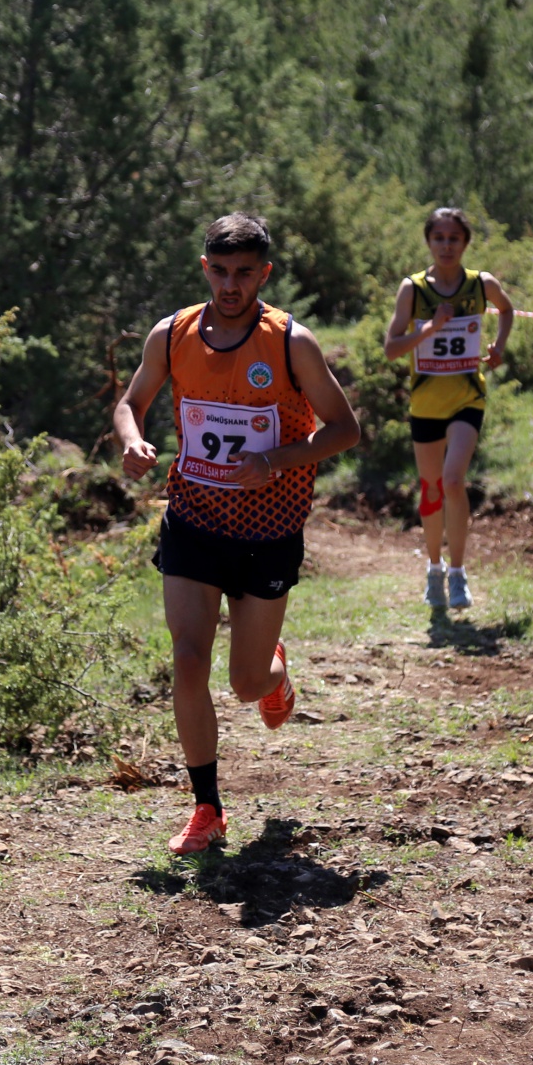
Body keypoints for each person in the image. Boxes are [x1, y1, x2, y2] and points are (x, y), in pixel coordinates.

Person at [114, 213, 361, 856]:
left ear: (265, 274)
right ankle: (207, 808)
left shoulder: (289, 343)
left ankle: (274, 675)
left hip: (269, 528)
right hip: (193, 517)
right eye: (220, 272)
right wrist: (132, 439)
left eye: (244, 273)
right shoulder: (173, 334)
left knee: (245, 684)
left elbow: (343, 430)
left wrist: (274, 461)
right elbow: (130, 402)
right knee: (188, 660)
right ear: (205, 269)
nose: (231, 285)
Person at [383, 207, 514, 609]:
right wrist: (429, 329)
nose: (446, 245)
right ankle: (434, 568)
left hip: (466, 398)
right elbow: (391, 348)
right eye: (438, 238)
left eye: (453, 238)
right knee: (431, 489)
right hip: (426, 403)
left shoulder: (480, 284)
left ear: (465, 243)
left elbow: (506, 310)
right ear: (428, 242)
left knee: (453, 480)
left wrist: (499, 346)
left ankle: (458, 574)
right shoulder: (414, 289)